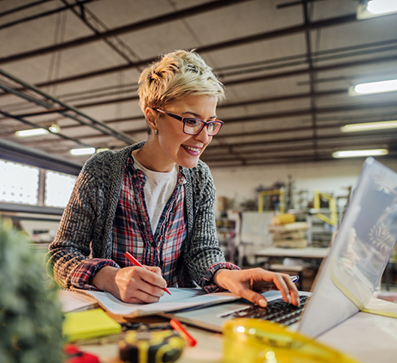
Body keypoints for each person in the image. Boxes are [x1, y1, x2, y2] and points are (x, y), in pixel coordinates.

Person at [48, 50, 298, 307]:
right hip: (114, 320)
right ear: (153, 116)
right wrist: (108, 277)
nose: (204, 137)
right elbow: (60, 255)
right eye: (191, 121)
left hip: (177, 319)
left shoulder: (200, 178)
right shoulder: (103, 171)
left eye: (210, 123)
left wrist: (228, 276)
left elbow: (203, 251)